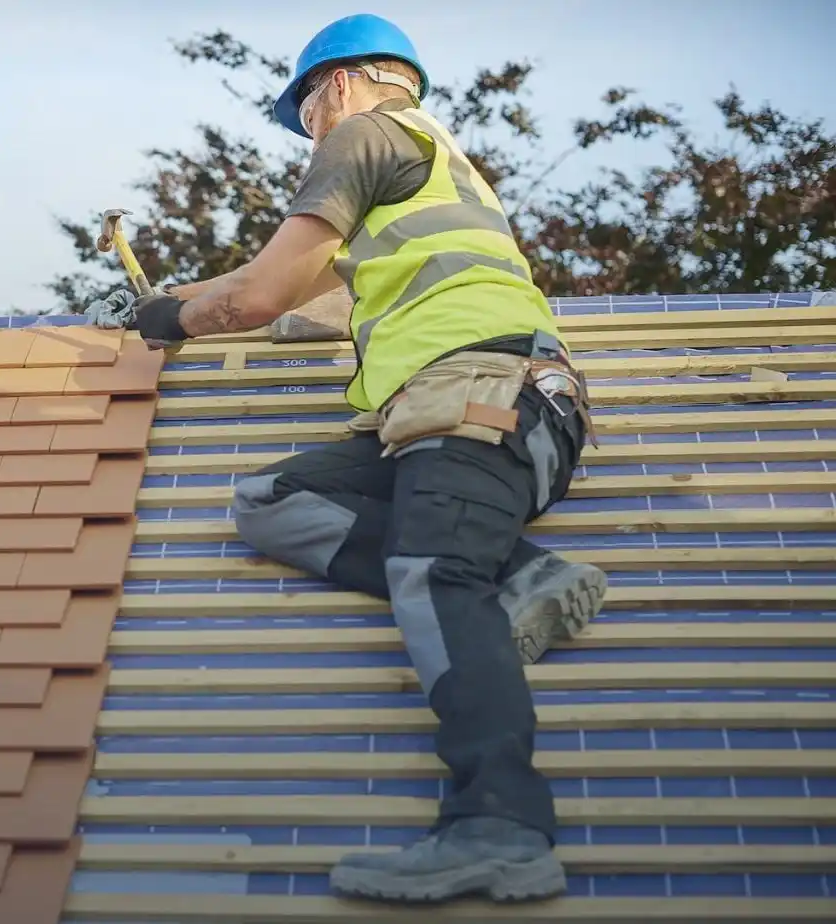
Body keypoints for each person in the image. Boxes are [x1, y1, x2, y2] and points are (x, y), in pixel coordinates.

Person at [83, 13, 610, 907]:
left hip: (482, 394)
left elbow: (262, 294)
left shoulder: (366, 135)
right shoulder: (425, 172)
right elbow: (297, 290)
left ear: (342, 82)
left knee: (434, 573)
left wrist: (176, 321)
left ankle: (500, 826)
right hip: (449, 411)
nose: (312, 134)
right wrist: (168, 302)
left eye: (308, 112)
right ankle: (521, 573)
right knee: (272, 501)